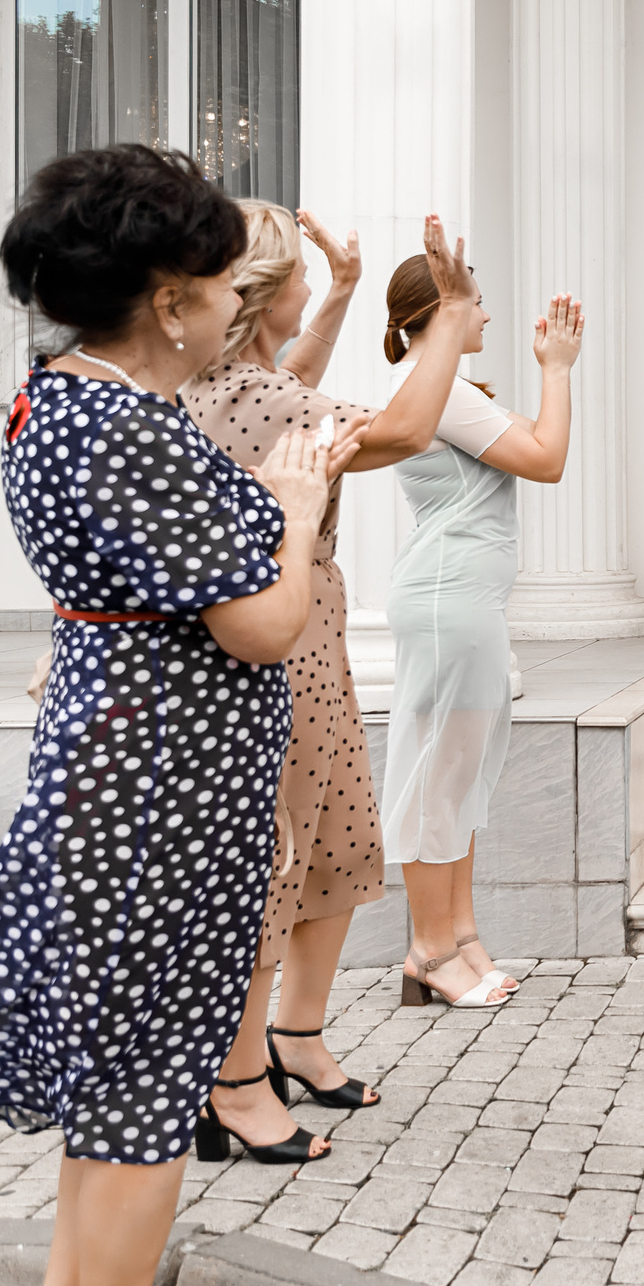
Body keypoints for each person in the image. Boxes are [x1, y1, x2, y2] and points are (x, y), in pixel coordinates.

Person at [0, 143, 350, 1286]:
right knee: (144, 1095)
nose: (235, 298)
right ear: (170, 299)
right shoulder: (130, 426)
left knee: (111, 1084)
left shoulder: (61, 396)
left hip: (114, 763)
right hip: (164, 794)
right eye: (221, 278)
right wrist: (297, 508)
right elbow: (262, 627)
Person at [182, 202, 481, 1156]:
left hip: (309, 632)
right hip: (280, 641)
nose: (312, 286)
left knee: (339, 844)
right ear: (264, 293)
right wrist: (449, 313)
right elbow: (407, 428)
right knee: (277, 863)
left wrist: (346, 291)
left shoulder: (242, 384)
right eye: (303, 279)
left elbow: (293, 376)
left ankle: (298, 1038)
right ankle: (233, 1083)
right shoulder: (255, 397)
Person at [380, 254, 584, 1008]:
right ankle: (429, 951)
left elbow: (533, 438)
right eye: (476, 302)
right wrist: (556, 369)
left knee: (459, 778)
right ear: (442, 312)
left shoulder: (451, 392)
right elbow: (547, 458)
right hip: (449, 603)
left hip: (464, 602)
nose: (489, 314)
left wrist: (549, 377)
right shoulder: (440, 393)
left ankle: (461, 939)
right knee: (438, 780)